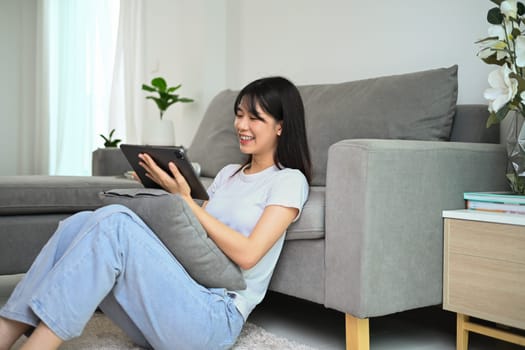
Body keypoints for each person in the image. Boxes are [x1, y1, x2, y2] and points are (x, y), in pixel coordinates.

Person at [0, 76, 311, 350]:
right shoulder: (229, 174)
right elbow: (195, 237)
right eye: (239, 115)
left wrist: (186, 201)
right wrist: (162, 190)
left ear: (280, 125)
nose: (241, 125)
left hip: (213, 318)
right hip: (174, 300)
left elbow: (248, 254)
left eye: (254, 118)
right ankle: (7, 329)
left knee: (116, 224)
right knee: (80, 223)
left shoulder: (288, 180)